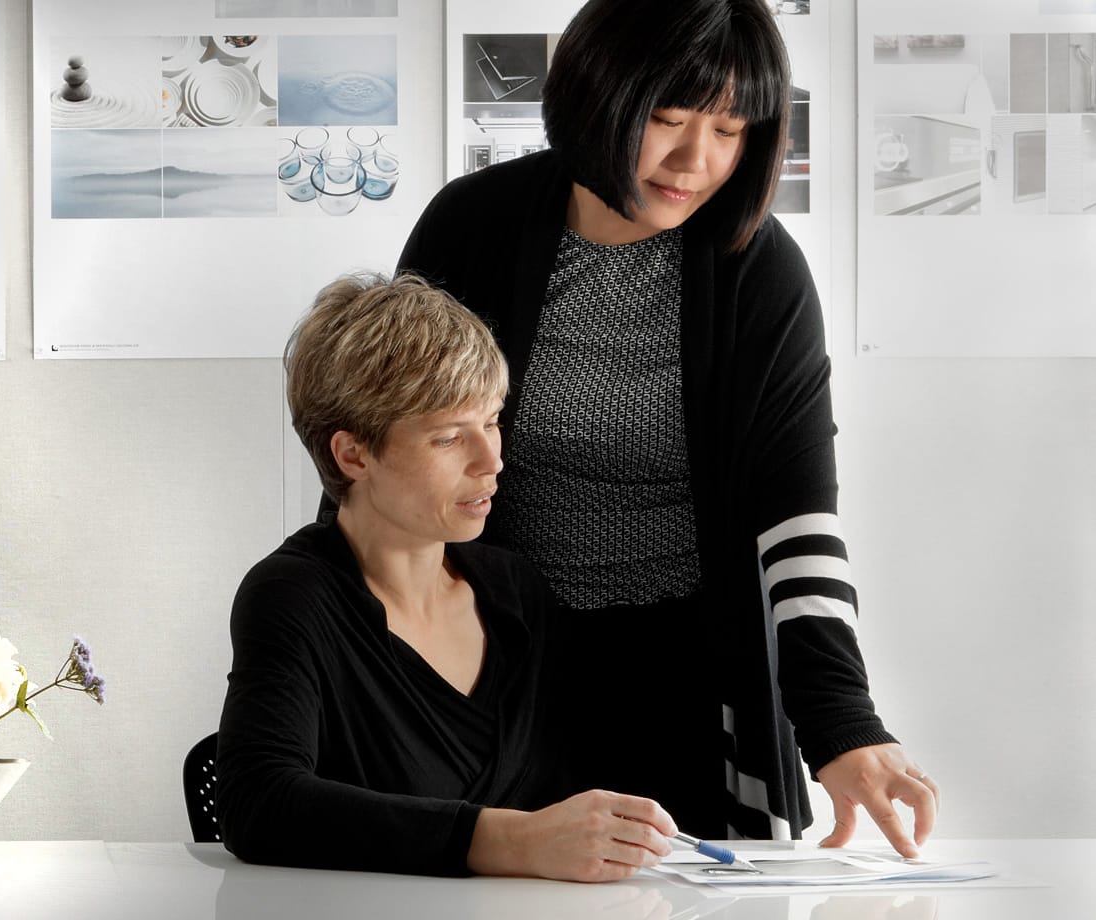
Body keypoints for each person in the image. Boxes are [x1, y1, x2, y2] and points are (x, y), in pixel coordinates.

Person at [395, 0, 940, 857]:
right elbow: (392, 459)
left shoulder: (759, 272)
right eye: (667, 119)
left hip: (685, 666)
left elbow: (795, 513)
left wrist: (841, 723)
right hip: (494, 655)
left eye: (730, 130)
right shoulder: (473, 228)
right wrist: (346, 642)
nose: (697, 162)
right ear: (595, 98)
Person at [215, 273, 677, 881]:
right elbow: (258, 804)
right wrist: (511, 842)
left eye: (491, 423)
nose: (492, 460)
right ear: (352, 455)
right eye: (449, 437)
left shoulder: (516, 591)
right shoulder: (293, 597)